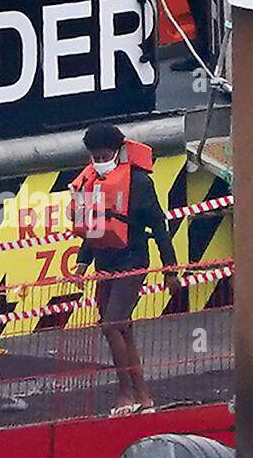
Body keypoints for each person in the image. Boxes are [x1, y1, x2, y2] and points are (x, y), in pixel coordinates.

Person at [71, 124, 181, 416]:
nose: (99, 160)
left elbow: (159, 226)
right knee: (123, 328)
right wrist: (82, 264)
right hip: (104, 263)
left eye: (104, 154)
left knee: (111, 324)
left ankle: (125, 393)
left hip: (132, 262)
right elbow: (94, 225)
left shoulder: (139, 182)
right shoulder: (91, 181)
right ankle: (143, 395)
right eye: (94, 155)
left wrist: (170, 270)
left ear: (118, 151)